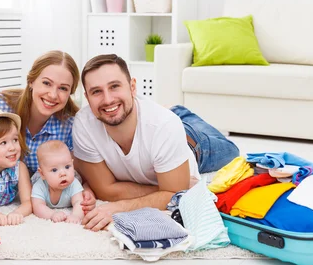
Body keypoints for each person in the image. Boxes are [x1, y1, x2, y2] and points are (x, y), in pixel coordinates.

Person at [73, 54, 240, 231]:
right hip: (162, 128)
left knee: (232, 152)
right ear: (87, 97)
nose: (107, 100)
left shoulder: (165, 125)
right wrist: (165, 191)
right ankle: (177, 112)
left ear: (132, 87)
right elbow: (105, 190)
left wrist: (119, 206)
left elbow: (173, 196)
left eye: (114, 86)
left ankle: (181, 114)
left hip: (193, 143)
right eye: (96, 91)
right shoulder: (84, 123)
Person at [0, 51, 96, 214]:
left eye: (63, 88)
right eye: (47, 83)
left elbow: (76, 169)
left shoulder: (69, 125)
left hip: (14, 180)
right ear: (31, 81)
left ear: (70, 93)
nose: (53, 94)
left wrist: (86, 189)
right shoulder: (1, 108)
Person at [31, 140, 84, 224]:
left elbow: (79, 202)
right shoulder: (39, 186)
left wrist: (76, 215)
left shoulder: (74, 183)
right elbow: (37, 206)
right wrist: (52, 214)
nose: (63, 173)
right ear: (42, 173)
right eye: (54, 170)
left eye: (67, 167)